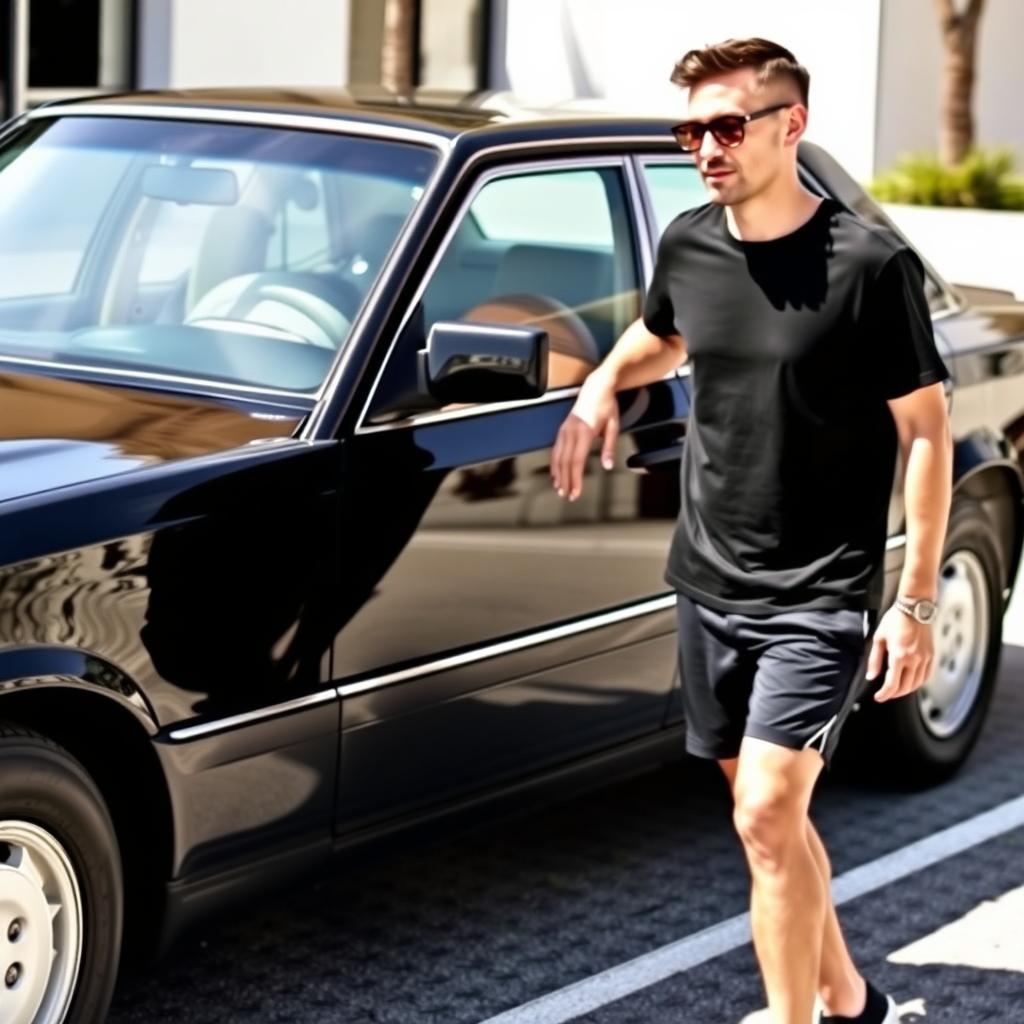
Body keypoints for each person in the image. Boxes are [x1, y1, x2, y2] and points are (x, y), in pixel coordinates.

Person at [550, 37, 953, 1024]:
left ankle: (792, 1016)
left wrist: (913, 602)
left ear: (790, 126)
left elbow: (927, 434)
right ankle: (852, 1002)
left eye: (727, 125)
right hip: (709, 579)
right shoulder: (690, 241)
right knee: (770, 822)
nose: (705, 146)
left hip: (818, 594)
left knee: (767, 813)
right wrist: (602, 382)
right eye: (691, 128)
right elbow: (668, 330)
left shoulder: (869, 266)